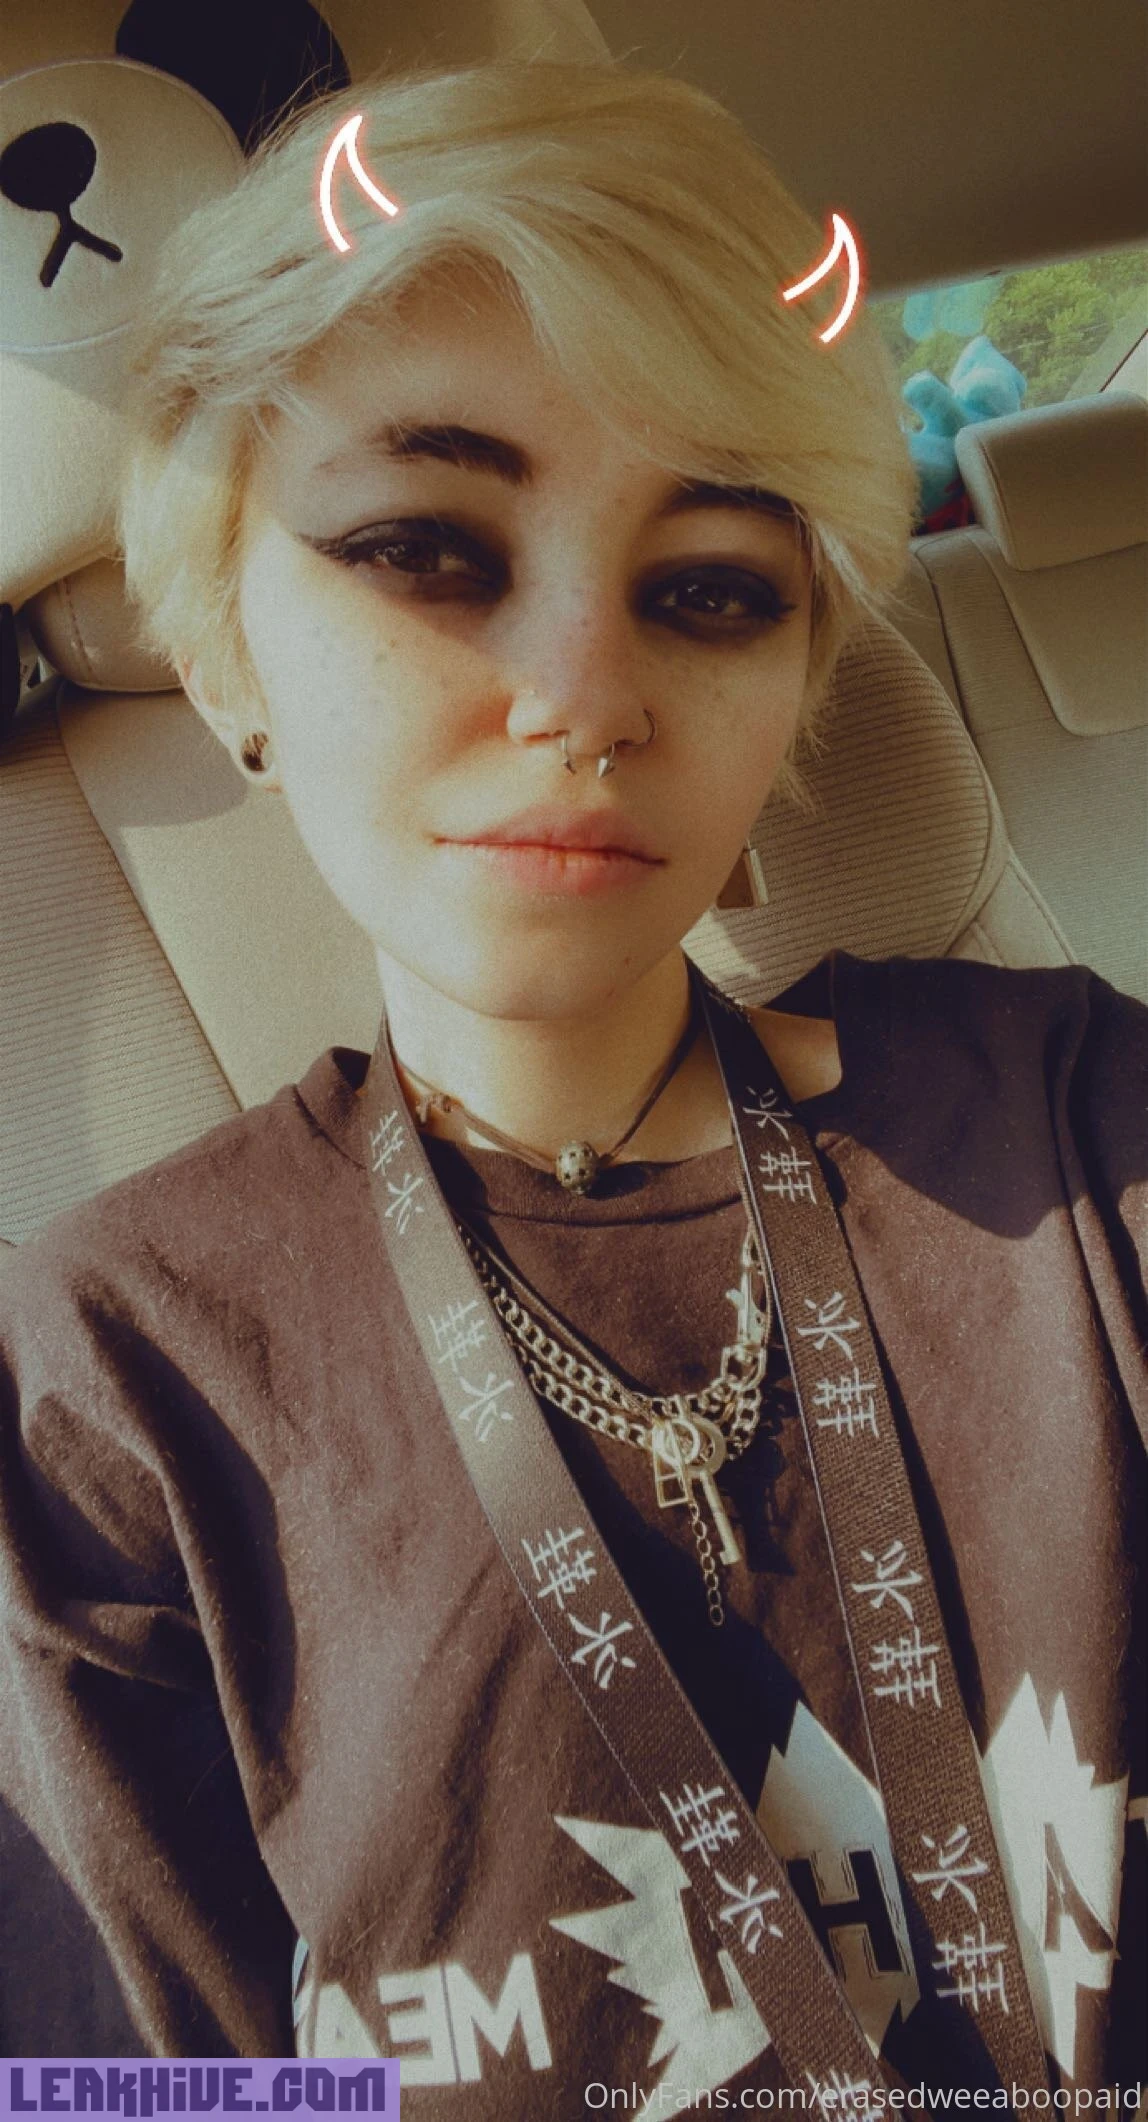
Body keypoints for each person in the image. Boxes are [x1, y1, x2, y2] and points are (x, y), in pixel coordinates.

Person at [0, 56, 1144, 2113]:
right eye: (425, 547)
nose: (583, 694)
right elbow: (154, 2089)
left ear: (796, 676)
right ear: (232, 654)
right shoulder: (111, 1373)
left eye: (709, 587)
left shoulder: (1081, 1135)